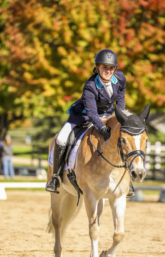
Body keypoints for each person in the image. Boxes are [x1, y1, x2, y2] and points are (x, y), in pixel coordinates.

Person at [46, 49, 133, 196]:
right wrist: (102, 128)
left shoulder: (120, 79)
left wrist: (120, 119)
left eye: (111, 68)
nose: (108, 71)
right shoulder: (90, 86)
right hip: (83, 116)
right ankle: (55, 177)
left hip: (107, 115)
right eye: (104, 67)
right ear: (97, 67)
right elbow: (92, 113)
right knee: (61, 138)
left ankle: (126, 181)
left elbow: (121, 100)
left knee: (122, 140)